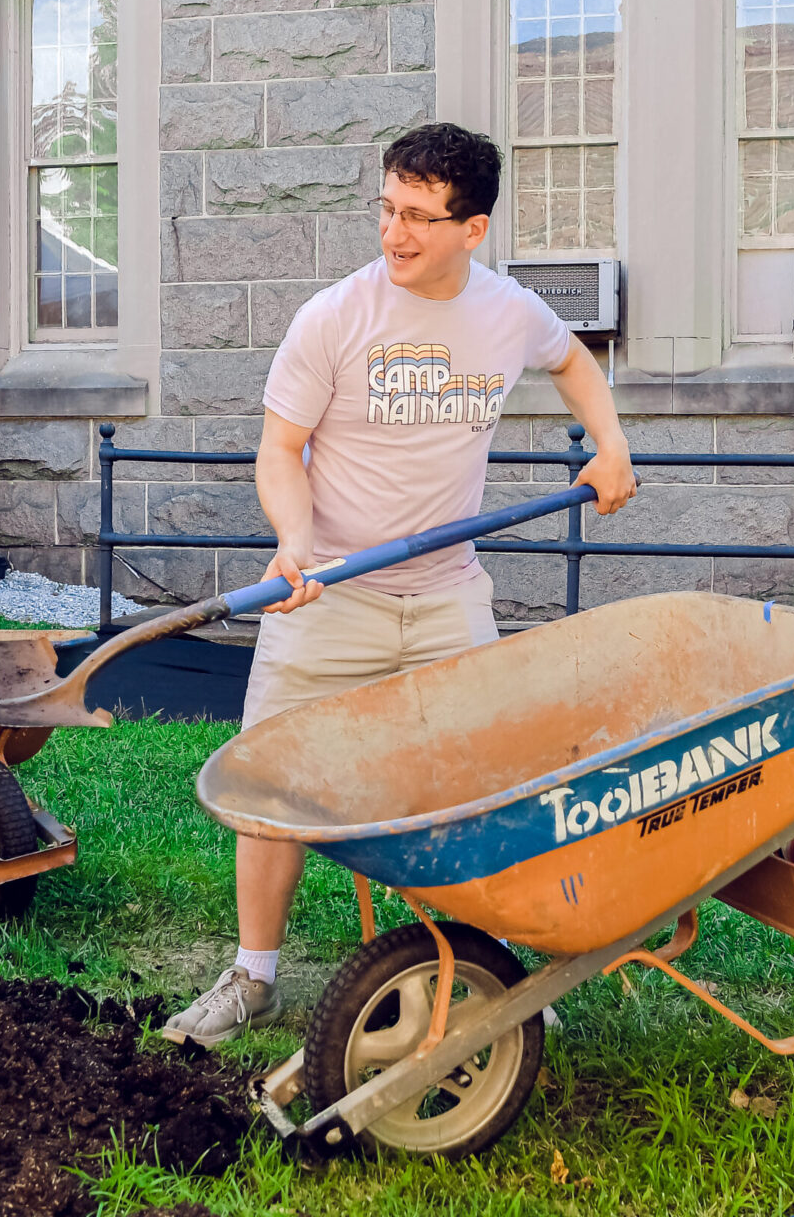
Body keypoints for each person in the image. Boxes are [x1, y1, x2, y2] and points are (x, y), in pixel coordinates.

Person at [161, 122, 638, 1048]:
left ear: (475, 229)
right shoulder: (335, 316)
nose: (395, 233)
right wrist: (294, 541)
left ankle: (474, 967)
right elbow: (280, 450)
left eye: (420, 216)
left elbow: (572, 360)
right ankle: (252, 975)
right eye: (387, 208)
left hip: (448, 594)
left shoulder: (507, 311)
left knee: (481, 787)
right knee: (273, 782)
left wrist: (611, 442)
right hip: (330, 591)